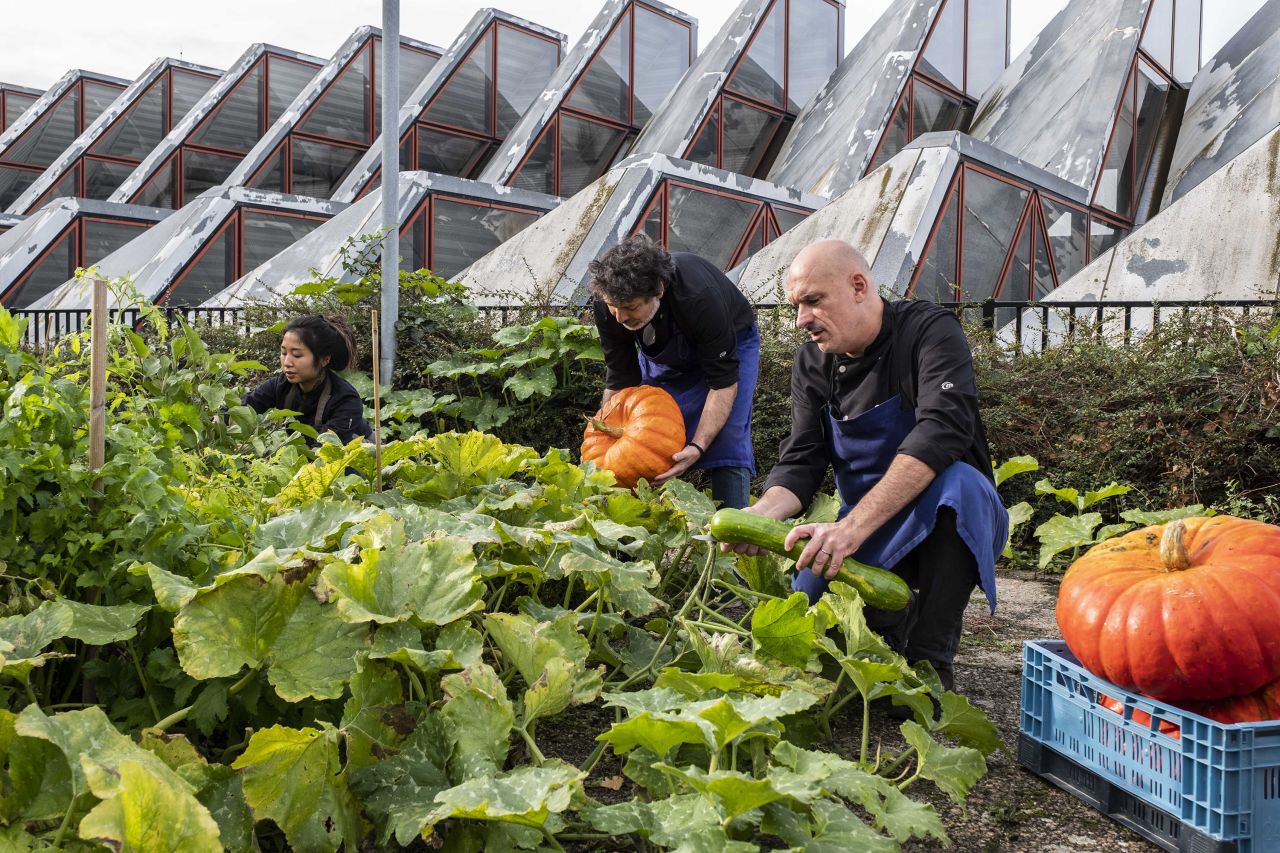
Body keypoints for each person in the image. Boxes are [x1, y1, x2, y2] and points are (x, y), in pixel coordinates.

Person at [724, 239, 1007, 693]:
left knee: (962, 484)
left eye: (813, 301)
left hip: (938, 523)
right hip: (864, 529)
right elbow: (802, 457)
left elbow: (941, 431)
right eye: (797, 306)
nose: (802, 321)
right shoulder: (813, 362)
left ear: (859, 286)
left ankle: (931, 657)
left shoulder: (929, 330)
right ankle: (892, 621)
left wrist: (851, 528)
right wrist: (762, 515)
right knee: (816, 643)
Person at [589, 235, 759, 508]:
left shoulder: (698, 296)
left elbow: (723, 382)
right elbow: (622, 376)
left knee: (728, 436)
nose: (619, 318)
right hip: (666, 349)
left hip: (730, 345)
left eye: (630, 308)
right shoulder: (610, 306)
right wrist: (604, 431)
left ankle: (732, 534)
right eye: (614, 308)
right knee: (643, 431)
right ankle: (636, 532)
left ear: (659, 290)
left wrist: (698, 446)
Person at [244, 315, 372, 444]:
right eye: (284, 353)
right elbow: (244, 407)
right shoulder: (280, 386)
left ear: (324, 359)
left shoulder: (345, 399)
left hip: (356, 458)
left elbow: (328, 448)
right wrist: (223, 418)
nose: (287, 362)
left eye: (297, 355)